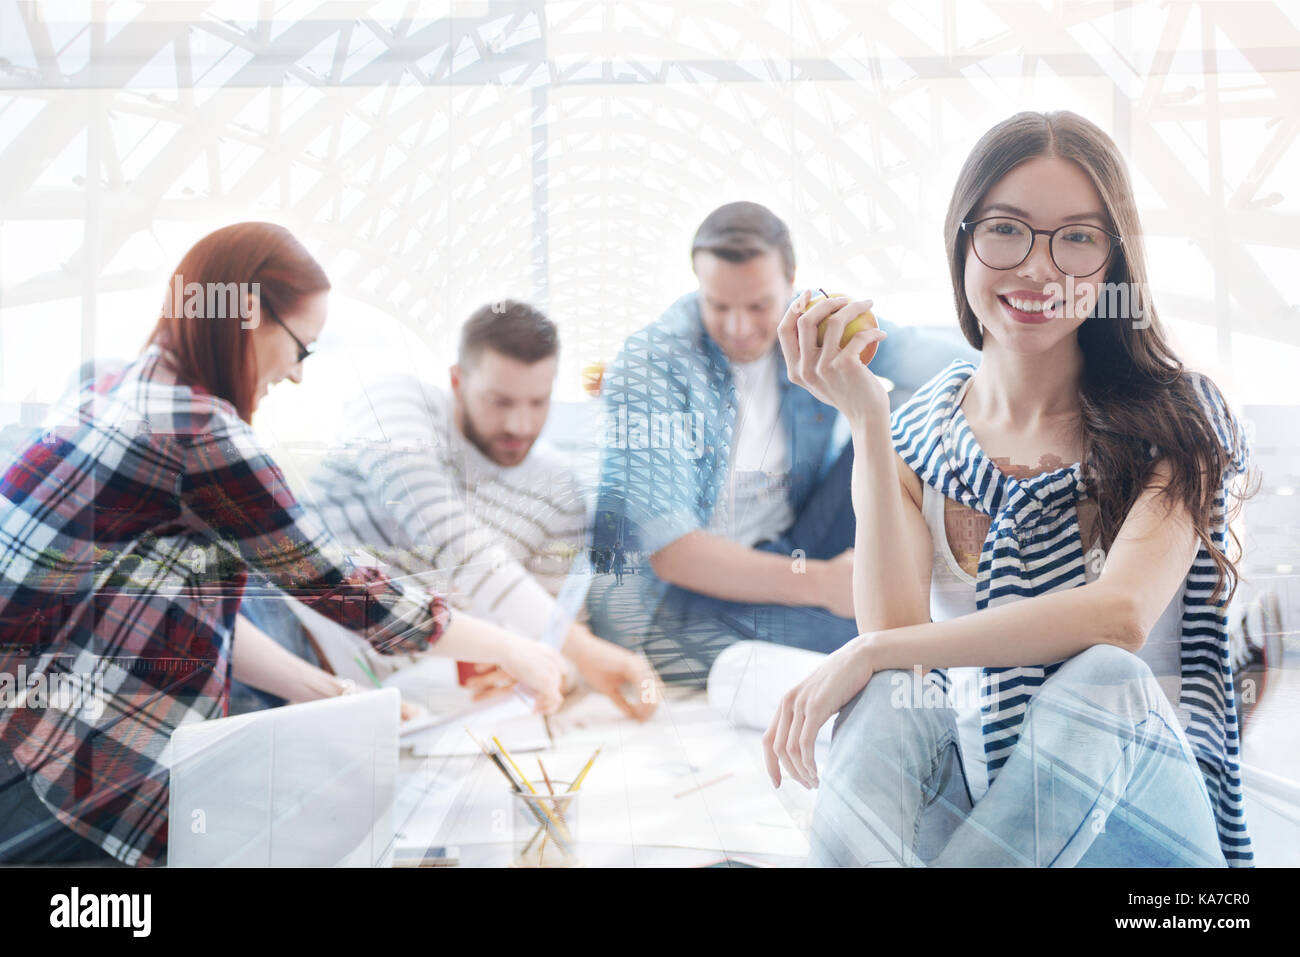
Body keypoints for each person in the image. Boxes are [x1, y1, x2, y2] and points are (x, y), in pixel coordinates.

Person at [762, 111, 1256, 867]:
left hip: (1141, 841)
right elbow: (898, 658)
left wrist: (864, 651)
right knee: (892, 693)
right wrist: (866, 420)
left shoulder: (1182, 419)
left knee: (1104, 676)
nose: (1038, 269)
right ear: (962, 243)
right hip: (991, 823)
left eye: (1078, 238)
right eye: (1006, 230)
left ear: (1113, 264)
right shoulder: (911, 437)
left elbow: (1118, 616)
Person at [0, 223, 565, 866]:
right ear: (249, 316)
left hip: (22, 750)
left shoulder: (105, 391)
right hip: (60, 785)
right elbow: (348, 589)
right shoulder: (200, 433)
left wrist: (322, 694)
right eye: (303, 348)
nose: (296, 375)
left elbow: (159, 616)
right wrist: (517, 649)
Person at [589, 201, 975, 684]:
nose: (738, 326)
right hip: (674, 595)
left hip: (790, 545)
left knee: (901, 420)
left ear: (792, 285)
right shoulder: (650, 367)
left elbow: (946, 364)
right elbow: (674, 554)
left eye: (758, 306)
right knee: (875, 640)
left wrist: (1037, 376)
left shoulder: (804, 326)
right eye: (718, 305)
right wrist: (823, 585)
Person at [296, 300, 659, 720]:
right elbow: (450, 541)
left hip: (379, 692)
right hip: (290, 630)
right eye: (500, 402)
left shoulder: (558, 486)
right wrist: (569, 650)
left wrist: (557, 671)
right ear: (456, 380)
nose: (519, 425)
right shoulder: (396, 403)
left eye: (538, 402)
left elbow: (559, 627)